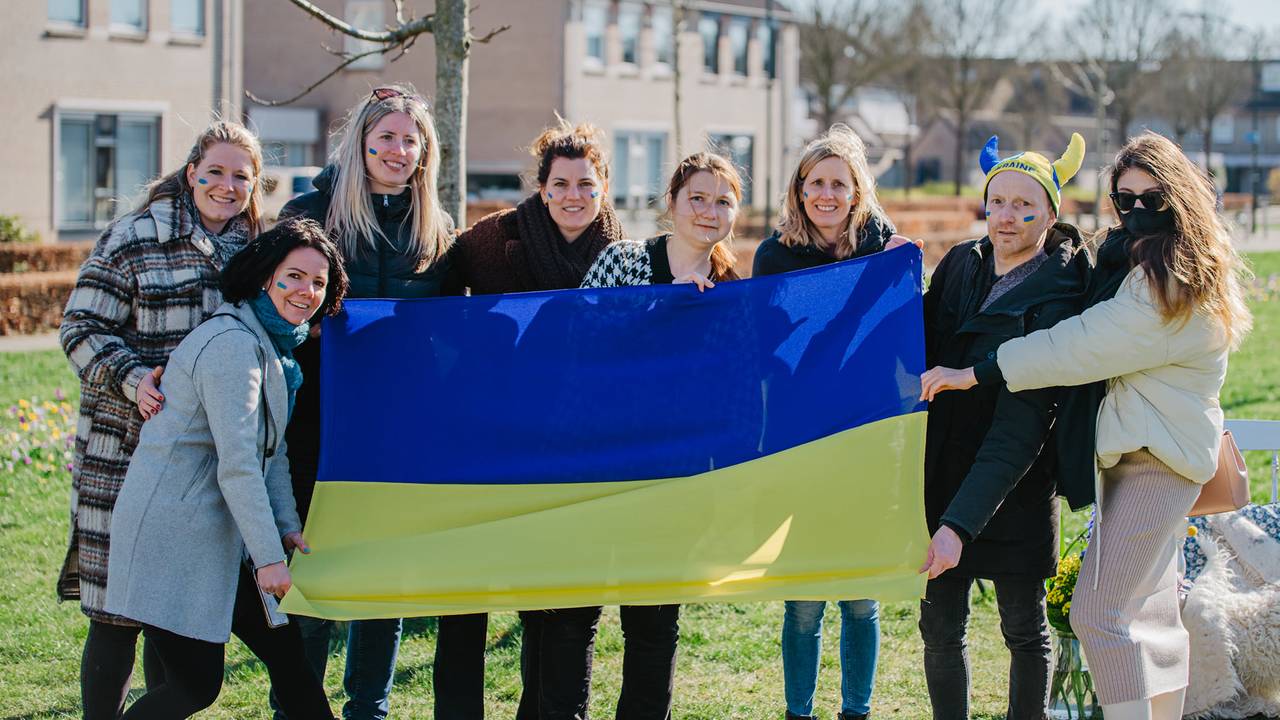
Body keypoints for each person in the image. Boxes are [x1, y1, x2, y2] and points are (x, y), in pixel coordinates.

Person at [920, 132, 1253, 720]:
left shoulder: (1167, 280)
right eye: (1125, 199)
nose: (1138, 210)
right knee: (1152, 615)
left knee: (1097, 616)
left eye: (1153, 197)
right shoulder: (1139, 262)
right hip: (1143, 454)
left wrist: (979, 373)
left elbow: (1083, 346)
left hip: (1159, 460)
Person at [104, 217, 348, 719]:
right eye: (294, 276)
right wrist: (268, 559)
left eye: (318, 282)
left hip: (224, 534)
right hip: (177, 534)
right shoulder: (234, 346)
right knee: (196, 686)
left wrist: (284, 527)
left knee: (290, 660)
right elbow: (238, 466)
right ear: (266, 278)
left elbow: (271, 451)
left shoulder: (275, 351)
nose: (307, 291)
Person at [60, 120, 265, 720]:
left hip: (201, 461)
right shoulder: (133, 237)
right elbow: (80, 327)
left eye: (241, 177)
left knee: (169, 607)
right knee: (118, 609)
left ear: (256, 185)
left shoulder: (254, 249)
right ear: (191, 171)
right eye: (216, 173)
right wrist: (131, 378)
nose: (227, 186)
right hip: (124, 448)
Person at [274, 83, 456, 720]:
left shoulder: (437, 225)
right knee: (314, 564)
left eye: (412, 140)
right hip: (314, 425)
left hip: (397, 428)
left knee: (384, 575)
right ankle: (298, 706)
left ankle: (368, 708)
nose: (399, 150)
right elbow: (266, 308)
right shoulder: (309, 211)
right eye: (387, 137)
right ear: (361, 141)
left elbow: (458, 321)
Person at [449, 118, 626, 720]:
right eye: (561, 184)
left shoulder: (624, 252)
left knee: (579, 598)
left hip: (593, 445)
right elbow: (432, 302)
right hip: (513, 442)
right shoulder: (491, 241)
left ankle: (560, 712)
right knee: (534, 595)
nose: (573, 196)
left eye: (585, 184)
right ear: (543, 187)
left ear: (603, 186)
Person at [917, 133, 1092, 720]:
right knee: (940, 625)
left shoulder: (1060, 298)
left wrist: (958, 527)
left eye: (1025, 206)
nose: (1007, 217)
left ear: (1051, 212)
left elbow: (1020, 431)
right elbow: (918, 335)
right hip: (942, 468)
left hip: (1014, 479)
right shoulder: (962, 263)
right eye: (997, 202)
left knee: (1024, 627)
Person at [577, 151, 745, 719]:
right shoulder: (621, 259)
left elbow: (729, 387)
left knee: (653, 621)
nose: (708, 210)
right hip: (600, 466)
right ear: (671, 202)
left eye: (723, 201)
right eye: (697, 196)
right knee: (578, 612)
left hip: (676, 476)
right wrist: (665, 303)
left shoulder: (730, 291)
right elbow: (580, 344)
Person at [751, 124, 902, 720]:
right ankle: (799, 711)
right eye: (816, 182)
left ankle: (856, 711)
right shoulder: (775, 256)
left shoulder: (881, 251)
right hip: (799, 439)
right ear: (799, 189)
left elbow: (896, 338)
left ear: (858, 190)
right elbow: (766, 344)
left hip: (866, 435)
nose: (827, 194)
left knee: (860, 598)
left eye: (839, 183)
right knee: (805, 595)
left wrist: (903, 274)